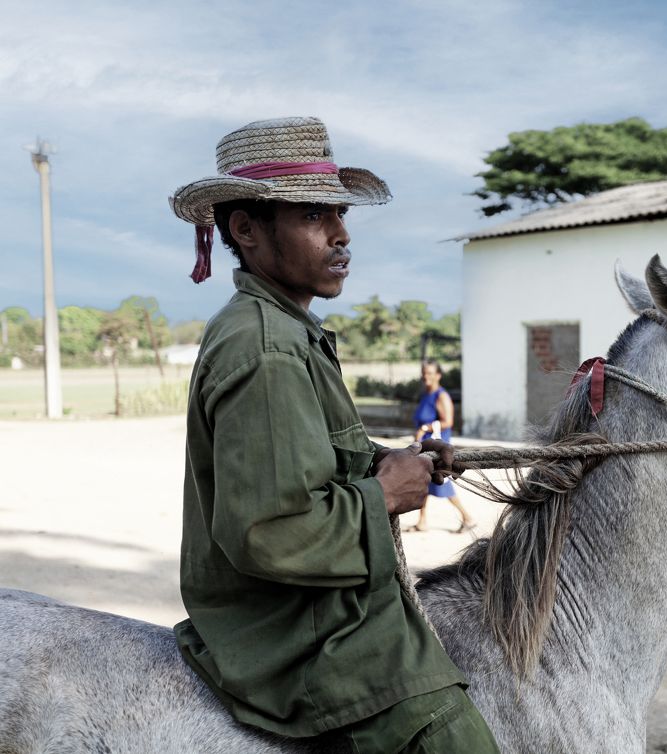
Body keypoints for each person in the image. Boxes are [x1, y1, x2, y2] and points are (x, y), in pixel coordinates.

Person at [168, 116, 499, 753]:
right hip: (295, 634)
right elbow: (271, 531)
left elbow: (313, 460)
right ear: (246, 230)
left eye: (340, 215)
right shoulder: (268, 347)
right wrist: (385, 496)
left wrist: (395, 462)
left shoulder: (284, 328)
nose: (342, 236)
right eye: (316, 216)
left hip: (314, 609)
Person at [407, 360, 476, 534]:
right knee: (425, 482)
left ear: (438, 375)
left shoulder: (441, 396)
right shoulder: (426, 395)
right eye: (424, 372)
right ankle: (422, 521)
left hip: (438, 447)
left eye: (430, 373)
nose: (425, 376)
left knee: (440, 483)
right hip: (425, 447)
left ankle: (468, 517)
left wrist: (424, 428)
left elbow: (448, 422)